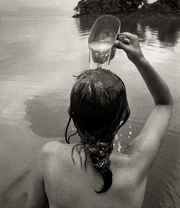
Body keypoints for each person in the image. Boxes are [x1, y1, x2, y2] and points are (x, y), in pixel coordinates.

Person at [27, 33, 173, 208]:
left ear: (70, 113)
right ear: (123, 116)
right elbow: (164, 104)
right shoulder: (136, 166)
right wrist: (138, 58)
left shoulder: (49, 157)